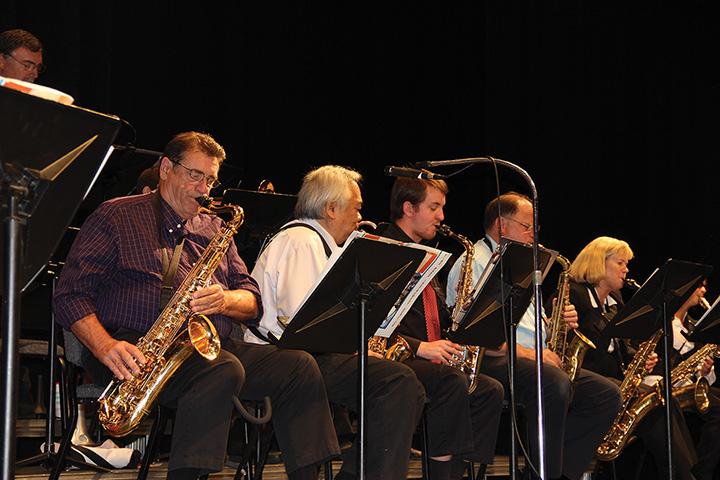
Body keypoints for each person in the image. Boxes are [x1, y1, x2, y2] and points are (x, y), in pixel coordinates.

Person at [54, 132, 340, 480]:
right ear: (165, 169)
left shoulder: (215, 226)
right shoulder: (116, 216)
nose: (204, 188)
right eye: (195, 175)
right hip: (132, 350)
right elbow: (70, 294)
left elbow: (252, 300)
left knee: (298, 366)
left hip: (206, 346)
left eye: (210, 180)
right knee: (222, 369)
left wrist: (225, 299)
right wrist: (105, 346)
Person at [246, 165, 426, 480]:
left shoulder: (317, 243)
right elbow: (302, 323)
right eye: (356, 208)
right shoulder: (301, 241)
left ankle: (359, 472)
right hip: (287, 358)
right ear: (331, 208)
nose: (360, 216)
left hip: (309, 356)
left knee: (408, 387)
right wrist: (357, 350)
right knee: (396, 382)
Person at [446, 192, 621, 480]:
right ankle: (545, 474)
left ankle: (559, 473)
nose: (534, 234)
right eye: (528, 226)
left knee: (606, 395)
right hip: (488, 359)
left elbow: (527, 324)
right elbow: (475, 334)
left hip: (528, 357)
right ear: (502, 225)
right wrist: (532, 354)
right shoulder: (475, 261)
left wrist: (556, 325)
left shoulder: (522, 264)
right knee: (553, 382)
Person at [375, 177, 504, 480]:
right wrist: (420, 346)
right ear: (409, 208)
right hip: (397, 356)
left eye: (442, 208)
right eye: (434, 207)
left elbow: (436, 316)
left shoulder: (427, 254)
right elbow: (369, 322)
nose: (442, 217)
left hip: (428, 356)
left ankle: (469, 473)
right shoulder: (384, 250)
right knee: (449, 381)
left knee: (489, 390)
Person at [567, 236, 698, 480]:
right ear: (598, 262)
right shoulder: (574, 295)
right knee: (656, 412)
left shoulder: (616, 300)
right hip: (588, 381)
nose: (626, 270)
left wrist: (636, 359)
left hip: (616, 382)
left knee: (664, 400)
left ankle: (687, 473)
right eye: (621, 263)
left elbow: (620, 347)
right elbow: (580, 349)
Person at [667, 282, 720, 480]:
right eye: (699, 286)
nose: (704, 291)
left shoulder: (694, 326)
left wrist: (705, 372)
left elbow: (705, 378)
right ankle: (700, 473)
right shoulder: (664, 323)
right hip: (668, 389)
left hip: (691, 389)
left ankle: (701, 470)